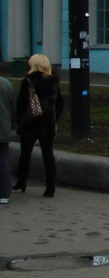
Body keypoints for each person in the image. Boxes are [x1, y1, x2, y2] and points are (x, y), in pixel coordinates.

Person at [14, 54, 65, 198]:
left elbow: (22, 103)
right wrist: (54, 118)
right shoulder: (54, 83)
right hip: (48, 123)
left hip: (31, 122)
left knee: (25, 153)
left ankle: (21, 181)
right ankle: (50, 186)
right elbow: (60, 104)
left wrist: (19, 120)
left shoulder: (28, 82)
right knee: (48, 154)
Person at [0, 74, 14, 203]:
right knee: (3, 161)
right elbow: (12, 107)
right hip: (3, 128)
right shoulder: (6, 84)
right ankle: (4, 192)